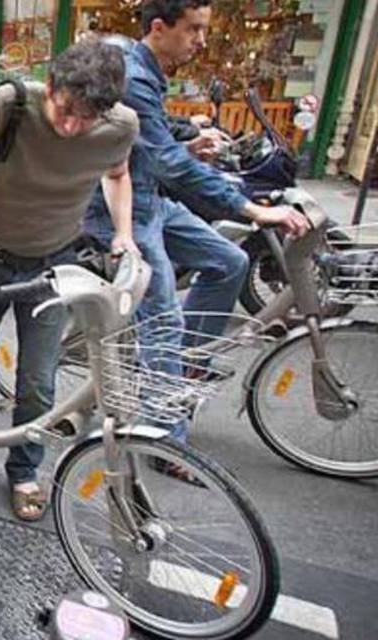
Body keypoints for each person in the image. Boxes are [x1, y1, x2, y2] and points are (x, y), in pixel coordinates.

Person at [84, 0, 308, 462]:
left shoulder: (148, 68)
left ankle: (178, 370)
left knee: (230, 261)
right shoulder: (134, 75)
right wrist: (248, 208)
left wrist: (191, 132)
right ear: (160, 27)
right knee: (162, 318)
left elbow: (155, 136)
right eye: (193, 30)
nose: (201, 40)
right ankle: (166, 445)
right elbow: (168, 162)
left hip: (152, 198)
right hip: (122, 210)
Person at [0, 40, 140, 522]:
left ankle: (24, 472)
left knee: (37, 383)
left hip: (55, 265)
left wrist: (125, 234)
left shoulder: (121, 127)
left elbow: (117, 175)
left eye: (85, 118)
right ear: (50, 87)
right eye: (65, 110)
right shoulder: (9, 105)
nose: (71, 126)